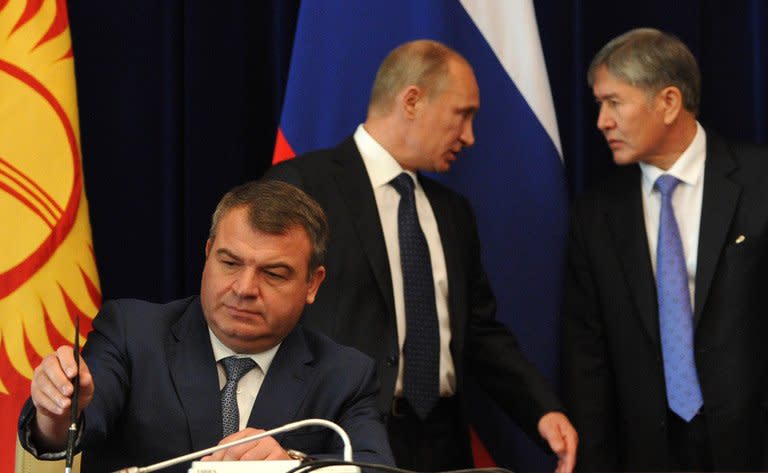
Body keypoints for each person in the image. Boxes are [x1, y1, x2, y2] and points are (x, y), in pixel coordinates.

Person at [265, 39, 577, 473]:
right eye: (462, 114)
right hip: (343, 440)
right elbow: (266, 316)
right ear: (412, 100)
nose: (469, 136)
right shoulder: (303, 186)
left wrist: (542, 410)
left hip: (443, 441)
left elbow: (479, 333)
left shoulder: (453, 212)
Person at [18, 180, 394, 473]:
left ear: (312, 283)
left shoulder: (345, 375)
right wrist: (56, 413)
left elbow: (373, 467)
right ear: (208, 253)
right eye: (230, 263)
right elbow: (77, 423)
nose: (245, 289)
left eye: (274, 273)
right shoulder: (133, 334)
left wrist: (295, 462)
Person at [562, 27, 768, 471]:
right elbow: (587, 359)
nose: (601, 121)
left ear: (669, 102)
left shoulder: (760, 184)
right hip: (645, 454)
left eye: (613, 102)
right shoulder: (596, 215)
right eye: (599, 104)